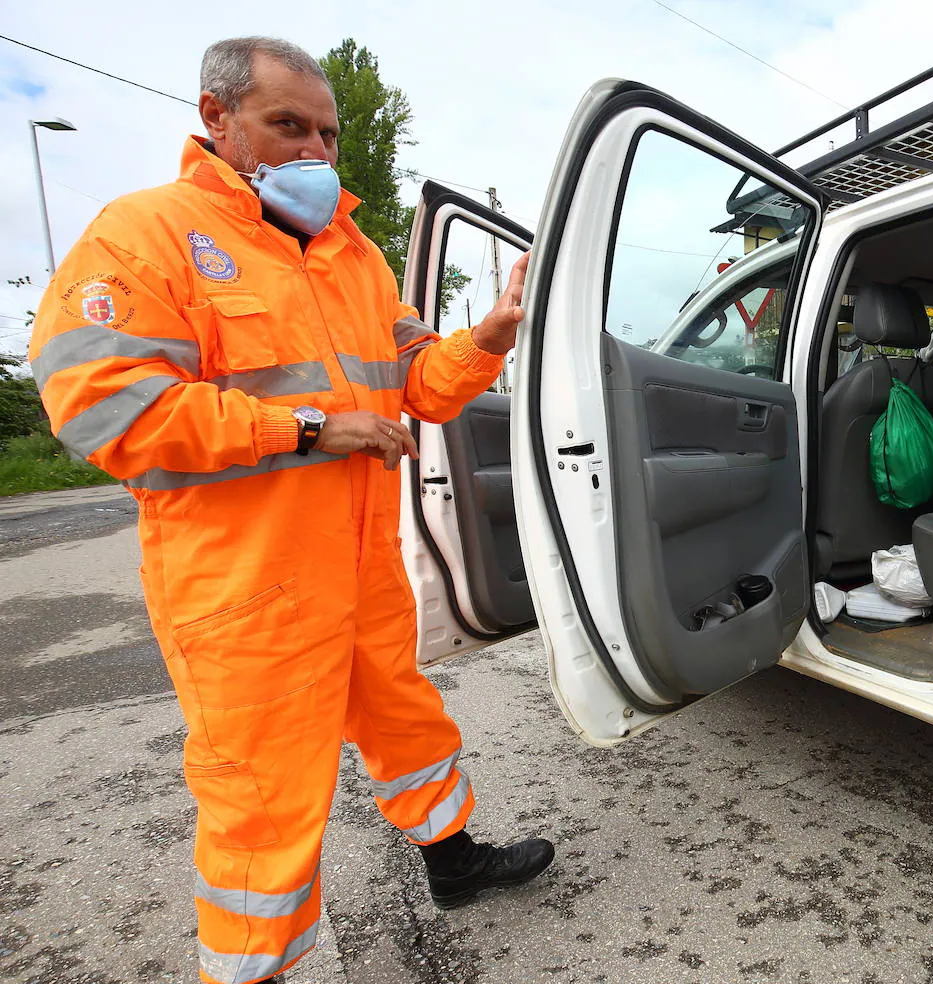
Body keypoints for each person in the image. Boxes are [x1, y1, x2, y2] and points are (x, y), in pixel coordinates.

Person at [28, 36, 553, 984]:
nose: (314, 151)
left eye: (327, 133)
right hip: (244, 587)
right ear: (215, 119)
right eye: (287, 126)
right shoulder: (144, 234)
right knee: (261, 801)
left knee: (404, 719)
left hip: (359, 567)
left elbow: (421, 387)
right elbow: (103, 410)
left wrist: (483, 341)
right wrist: (309, 429)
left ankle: (454, 860)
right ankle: (249, 971)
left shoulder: (356, 259)